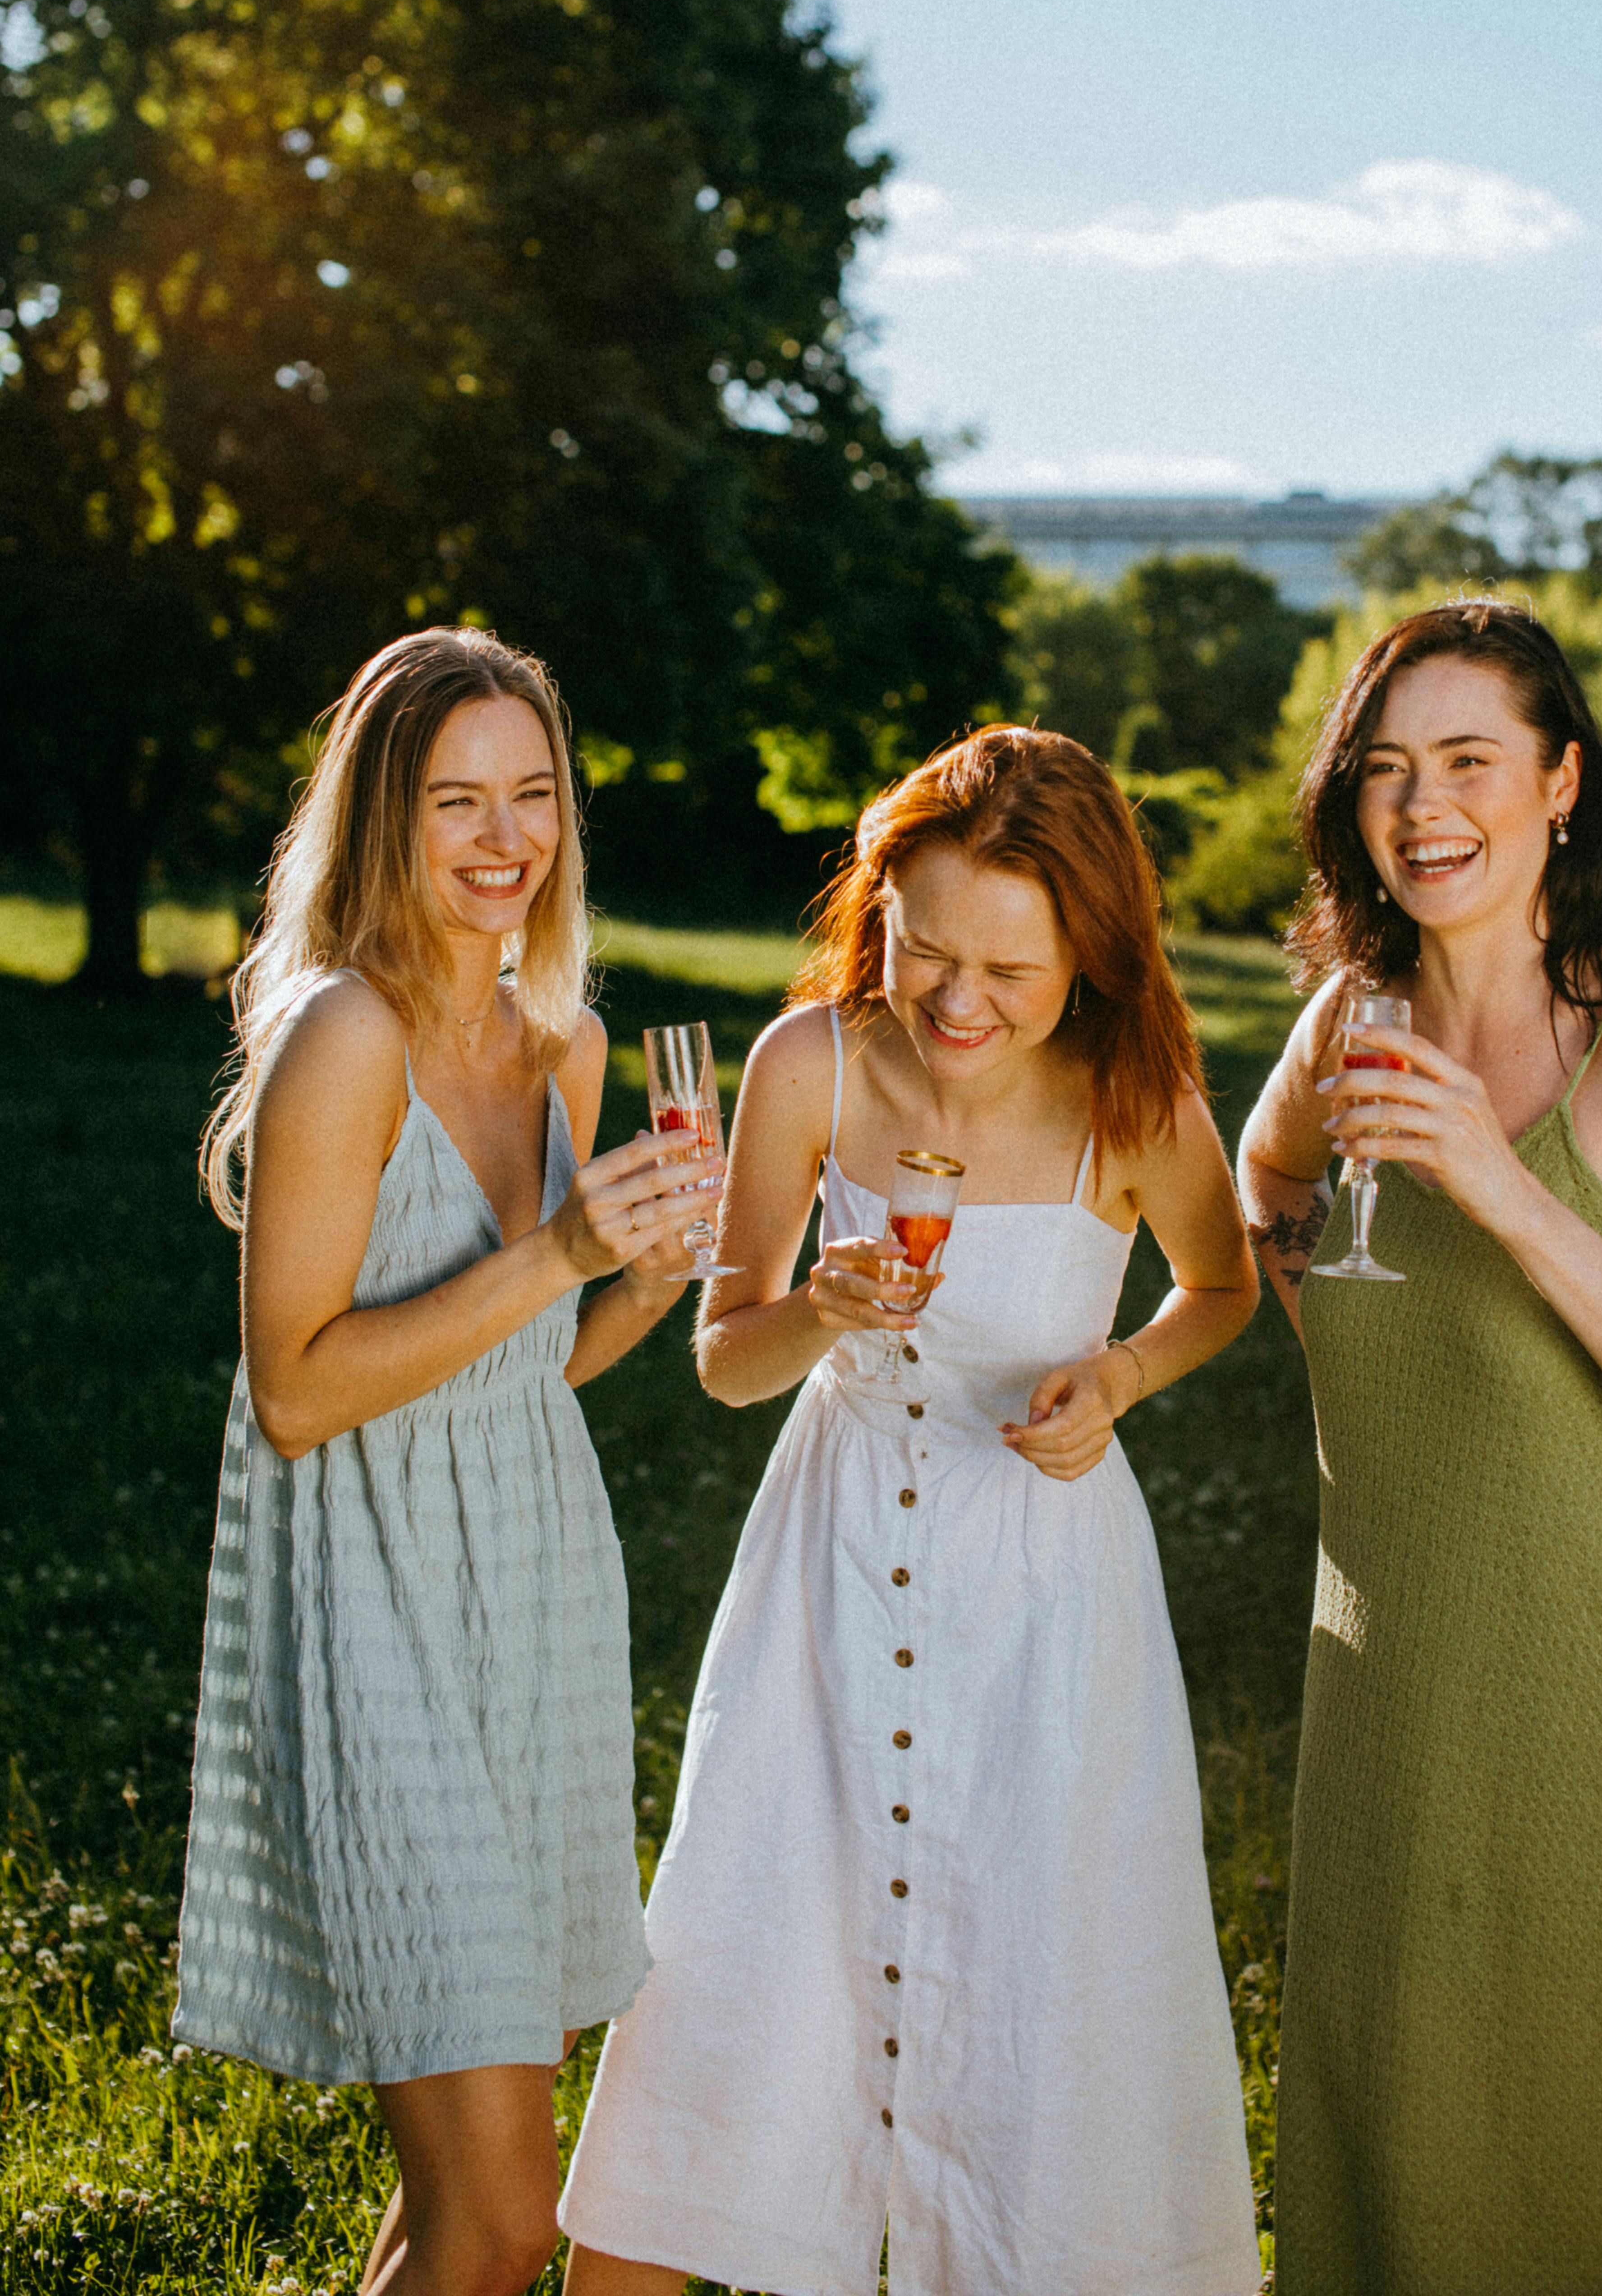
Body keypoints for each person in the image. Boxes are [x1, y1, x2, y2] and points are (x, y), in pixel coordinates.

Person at [559, 724, 1263, 2296]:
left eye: (1010, 973)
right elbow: (726, 1361)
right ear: (875, 907)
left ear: (1093, 951)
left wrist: (1125, 1379)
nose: (955, 1002)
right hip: (827, 1590)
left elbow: (1222, 1289)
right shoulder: (810, 1062)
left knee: (1045, 2003)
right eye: (922, 947)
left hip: (1046, 1612)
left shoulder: (1134, 1098)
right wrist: (815, 1311)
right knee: (748, 1970)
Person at [1238, 598, 1602, 2296]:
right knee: (1394, 2156)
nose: (1425, 807)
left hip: (1601, 1720)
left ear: (1561, 783)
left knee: (1598, 2186)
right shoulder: (1352, 1017)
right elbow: (1261, 1185)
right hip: (1388, 1700)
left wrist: (1499, 1189)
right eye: (1388, 771)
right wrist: (1321, 1303)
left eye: (1470, 762)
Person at [175, 628, 715, 2296]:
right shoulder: (345, 1035)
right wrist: (561, 1252)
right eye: (456, 801)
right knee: (497, 2228)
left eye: (534, 796)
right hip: (382, 1615)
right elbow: (297, 1393)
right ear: (385, 819)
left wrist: (639, 1278)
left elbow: (534, 1364)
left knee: (462, 2205)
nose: (503, 840)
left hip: (538, 1601)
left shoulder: (557, 1037)